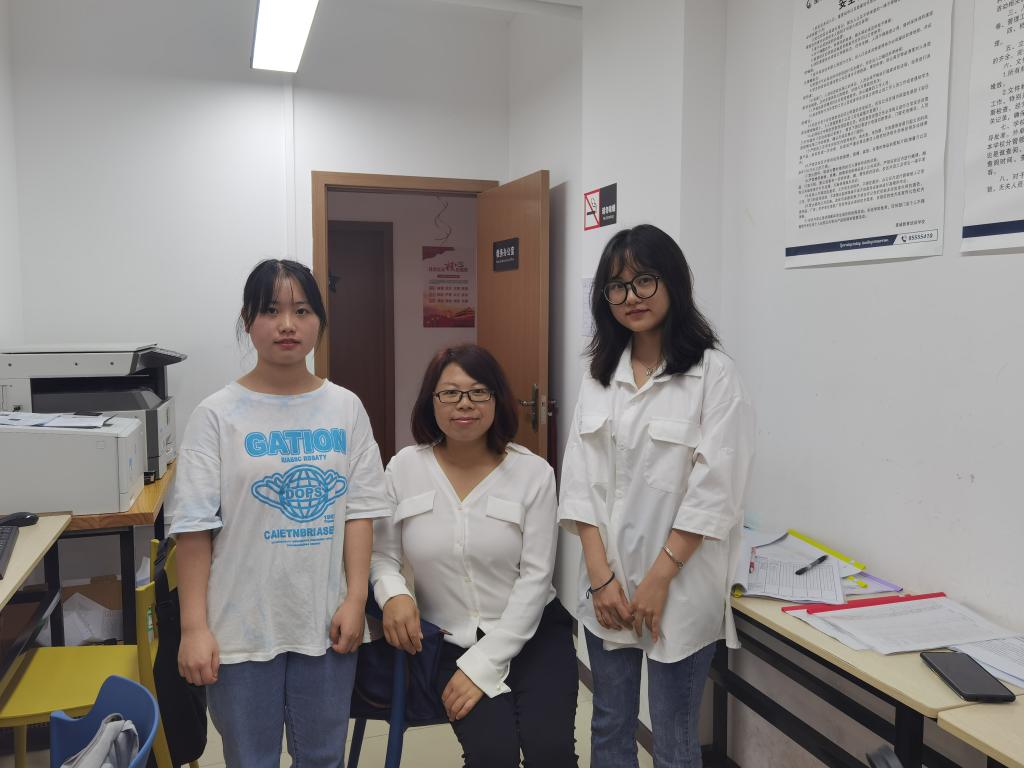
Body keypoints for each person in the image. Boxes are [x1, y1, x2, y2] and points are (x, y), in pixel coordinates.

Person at [169, 259, 390, 768]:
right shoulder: (216, 414)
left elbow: (359, 512)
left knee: (323, 757)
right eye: (271, 311)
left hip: (325, 622)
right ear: (248, 321)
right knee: (251, 759)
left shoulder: (345, 407)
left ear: (319, 322)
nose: (287, 324)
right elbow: (194, 529)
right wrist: (194, 628)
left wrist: (356, 599)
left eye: (302, 310)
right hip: (239, 629)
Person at [560, 225, 755, 768]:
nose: (632, 297)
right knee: (609, 726)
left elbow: (716, 488)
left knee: (673, 740)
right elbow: (578, 479)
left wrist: (659, 578)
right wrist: (600, 577)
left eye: (644, 280)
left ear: (673, 282)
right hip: (607, 588)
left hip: (680, 588)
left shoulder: (714, 375)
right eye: (617, 287)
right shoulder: (600, 376)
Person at [371, 344, 578, 768]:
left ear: (496, 400)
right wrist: (394, 594)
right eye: (450, 392)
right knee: (493, 755)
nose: (464, 403)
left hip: (535, 635)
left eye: (478, 392)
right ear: (431, 401)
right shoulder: (404, 469)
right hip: (450, 643)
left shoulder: (533, 474)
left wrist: (484, 664)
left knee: (550, 752)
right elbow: (382, 557)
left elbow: (536, 579)